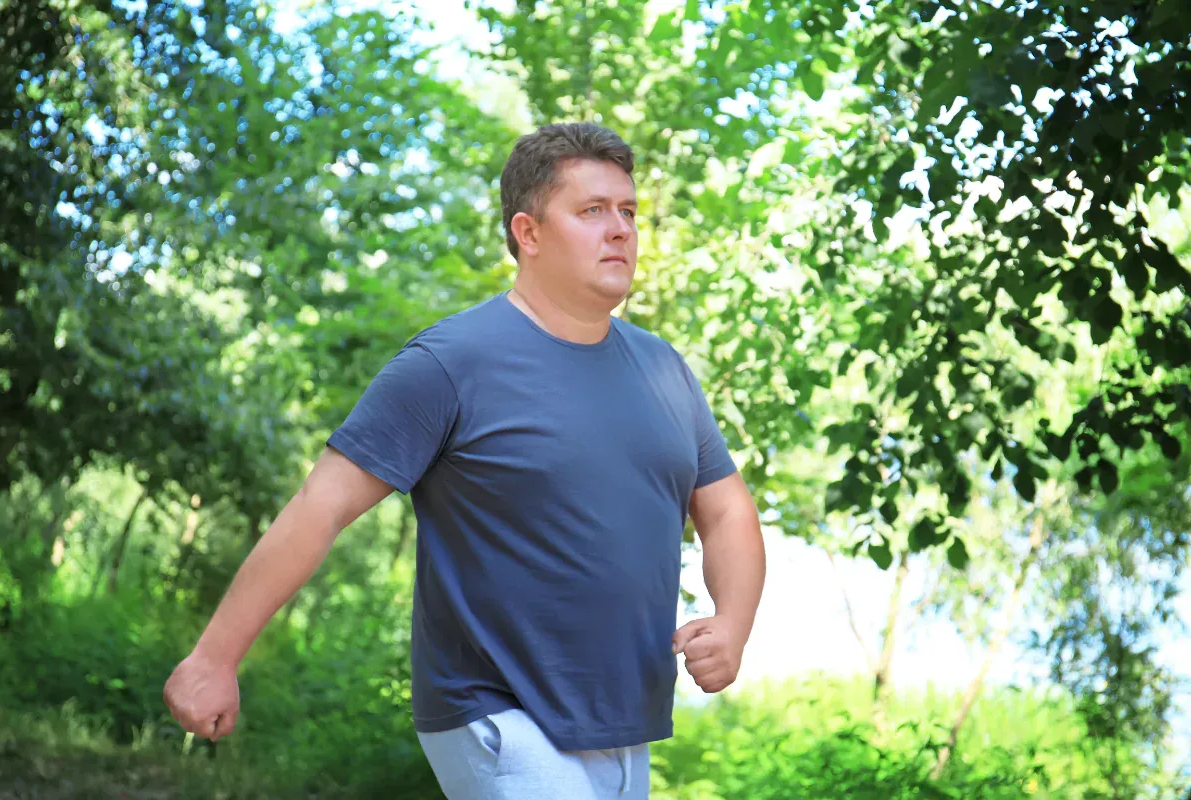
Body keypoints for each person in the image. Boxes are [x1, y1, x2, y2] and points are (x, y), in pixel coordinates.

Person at [163, 122, 766, 799]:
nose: (621, 229)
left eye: (628, 211)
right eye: (592, 210)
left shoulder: (664, 371)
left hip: (626, 723)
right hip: (499, 715)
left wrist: (733, 623)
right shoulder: (449, 364)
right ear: (528, 234)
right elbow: (321, 505)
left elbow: (727, 511)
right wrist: (214, 657)